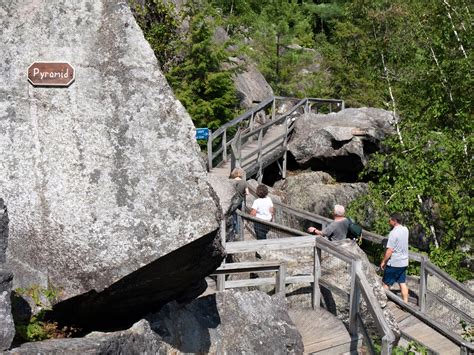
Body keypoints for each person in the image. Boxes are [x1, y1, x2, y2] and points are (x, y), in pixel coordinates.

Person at [380, 213, 409, 303]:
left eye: (390, 220)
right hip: (404, 262)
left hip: (394, 263)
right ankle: (405, 303)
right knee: (402, 283)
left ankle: (383, 303)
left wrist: (384, 261)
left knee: (386, 284)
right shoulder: (405, 229)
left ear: (395, 221)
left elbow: (390, 250)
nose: (389, 221)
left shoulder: (393, 233)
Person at [228, 168, 249, 236]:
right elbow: (247, 193)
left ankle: (234, 230)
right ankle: (239, 231)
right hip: (240, 201)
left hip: (232, 201)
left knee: (233, 215)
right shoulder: (244, 182)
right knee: (240, 216)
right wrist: (243, 194)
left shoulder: (231, 181)